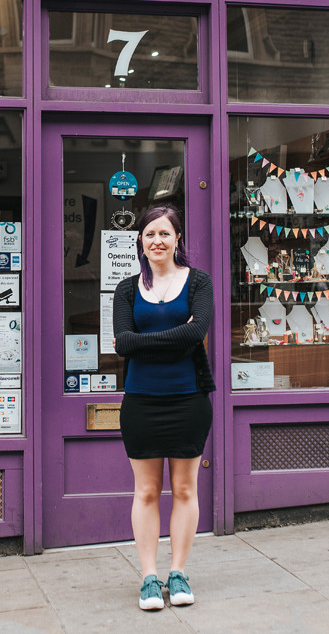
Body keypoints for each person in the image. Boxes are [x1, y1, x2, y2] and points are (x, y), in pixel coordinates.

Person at [112, 204, 215, 611]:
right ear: (140, 240)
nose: (157, 240)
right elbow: (123, 342)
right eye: (150, 233)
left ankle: (179, 571)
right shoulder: (126, 288)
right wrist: (179, 336)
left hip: (189, 399)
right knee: (147, 490)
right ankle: (149, 578)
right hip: (140, 401)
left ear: (177, 240)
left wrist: (148, 342)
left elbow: (199, 330)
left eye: (165, 233)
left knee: (186, 488)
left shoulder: (199, 283)